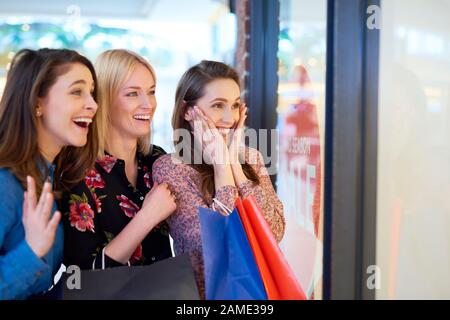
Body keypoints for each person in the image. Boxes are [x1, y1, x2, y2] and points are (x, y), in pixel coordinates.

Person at [152, 60, 286, 298]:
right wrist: (222, 167)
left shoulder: (250, 159)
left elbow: (274, 232)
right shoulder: (171, 168)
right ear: (187, 111)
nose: (229, 117)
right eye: (217, 105)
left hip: (257, 294)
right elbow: (212, 246)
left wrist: (234, 163)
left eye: (235, 106)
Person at [60, 49, 176, 271]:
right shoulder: (78, 174)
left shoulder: (157, 160)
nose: (148, 104)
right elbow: (84, 277)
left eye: (151, 91)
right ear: (102, 100)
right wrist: (148, 216)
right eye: (132, 94)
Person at [0, 48, 98, 299]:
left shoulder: (52, 175)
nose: (93, 104)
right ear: (36, 104)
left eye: (92, 93)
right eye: (77, 91)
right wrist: (31, 251)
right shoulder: (4, 182)